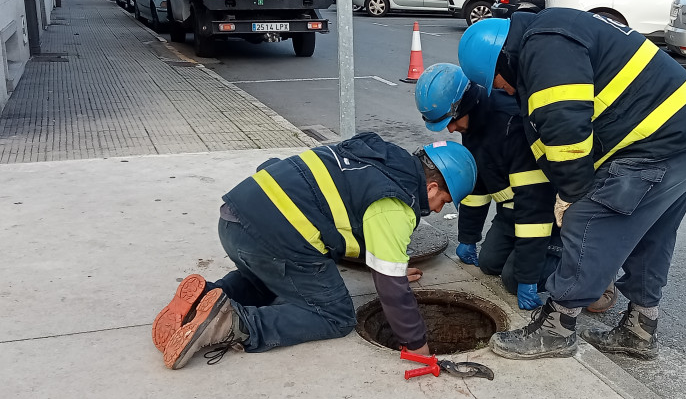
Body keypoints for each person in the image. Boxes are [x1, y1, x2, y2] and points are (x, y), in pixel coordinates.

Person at [457, 9, 686, 360]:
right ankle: (639, 329)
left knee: (588, 218)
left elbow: (565, 128)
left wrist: (571, 194)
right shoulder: (552, 31)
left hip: (661, 140)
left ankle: (556, 329)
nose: (503, 90)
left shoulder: (543, 49)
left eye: (498, 82)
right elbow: (547, 134)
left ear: (504, 60)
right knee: (651, 233)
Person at [152, 133, 477, 369]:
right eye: (443, 202)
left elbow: (350, 213)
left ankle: (200, 302)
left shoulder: (380, 158)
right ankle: (231, 324)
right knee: (334, 315)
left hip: (236, 220)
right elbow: (392, 290)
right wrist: (419, 348)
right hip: (271, 237)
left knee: (267, 281)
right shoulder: (396, 202)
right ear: (432, 186)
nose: (436, 211)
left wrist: (389, 261)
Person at [414, 63, 557, 311]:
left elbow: (534, 208)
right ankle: (526, 256)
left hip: (546, 217)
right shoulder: (474, 123)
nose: (450, 129)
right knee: (489, 263)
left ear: (466, 105)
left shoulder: (513, 127)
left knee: (515, 279)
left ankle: (584, 263)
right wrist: (468, 238)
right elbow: (477, 188)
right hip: (511, 214)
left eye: (451, 121)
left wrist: (529, 277)